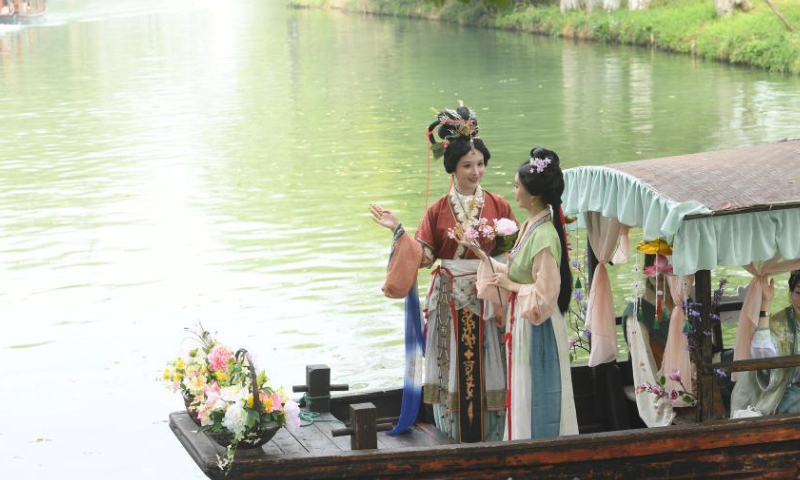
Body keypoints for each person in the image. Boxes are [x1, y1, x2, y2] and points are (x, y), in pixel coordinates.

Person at [370, 105, 516, 443]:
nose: (475, 172)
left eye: (480, 164)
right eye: (467, 165)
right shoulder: (437, 210)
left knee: (491, 359)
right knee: (453, 366)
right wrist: (399, 230)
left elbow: (512, 252)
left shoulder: (499, 205)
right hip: (450, 298)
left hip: (489, 296)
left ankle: (493, 431)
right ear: (453, 168)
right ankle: (454, 433)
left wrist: (497, 270)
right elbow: (425, 257)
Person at [460, 147, 578, 440]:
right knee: (525, 390)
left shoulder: (545, 236)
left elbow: (545, 296)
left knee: (538, 393)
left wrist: (511, 287)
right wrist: (476, 251)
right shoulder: (531, 226)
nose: (513, 192)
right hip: (525, 319)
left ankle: (541, 452)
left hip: (539, 324)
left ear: (533, 195)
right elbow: (515, 274)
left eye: (516, 186)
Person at [731, 271, 800, 416]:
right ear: (791, 293)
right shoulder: (780, 324)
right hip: (778, 392)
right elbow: (763, 356)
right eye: (799, 293)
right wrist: (766, 303)